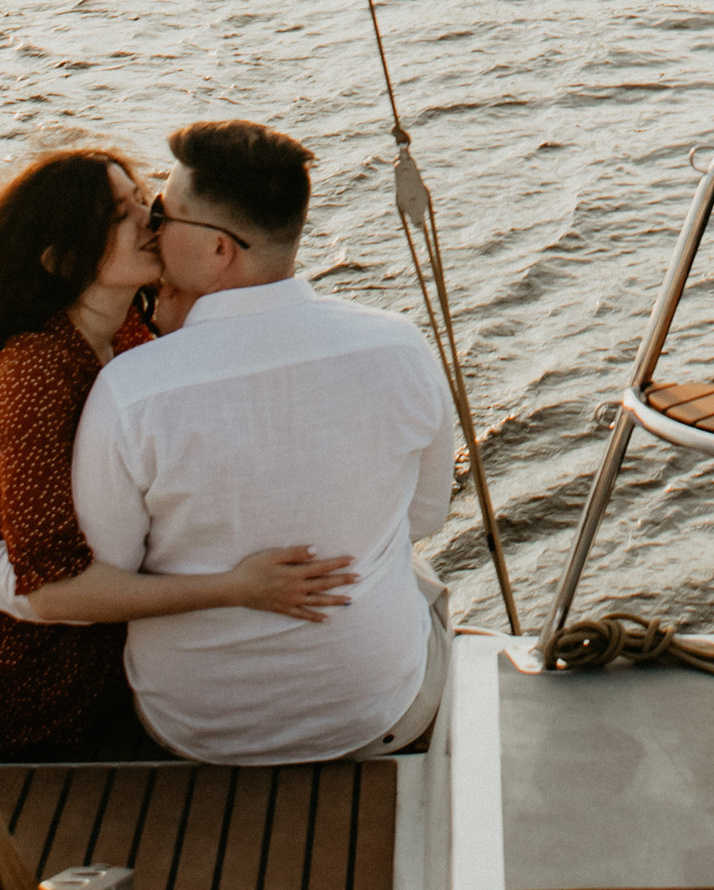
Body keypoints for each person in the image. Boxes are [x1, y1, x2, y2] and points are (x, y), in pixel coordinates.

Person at [0, 148, 353, 756]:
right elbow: (54, 593)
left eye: (143, 200)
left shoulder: (131, 336)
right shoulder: (35, 378)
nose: (150, 219)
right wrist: (236, 587)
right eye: (120, 214)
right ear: (62, 260)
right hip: (23, 676)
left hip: (103, 642)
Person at [69, 118, 459, 763]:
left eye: (163, 213)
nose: (152, 228)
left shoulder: (130, 389)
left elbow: (109, 566)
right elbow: (425, 517)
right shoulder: (400, 345)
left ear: (220, 250)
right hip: (375, 715)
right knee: (413, 573)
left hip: (194, 728)